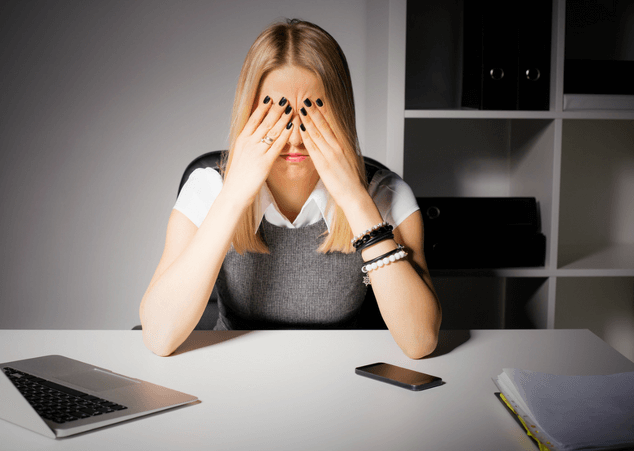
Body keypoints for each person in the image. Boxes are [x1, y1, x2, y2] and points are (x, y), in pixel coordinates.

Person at [139, 19, 441, 358]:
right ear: (250, 111)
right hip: (231, 374)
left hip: (343, 378)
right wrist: (233, 195)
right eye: (277, 114)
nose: (295, 138)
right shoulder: (207, 187)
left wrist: (356, 199)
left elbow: (420, 340)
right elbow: (158, 336)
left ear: (341, 114)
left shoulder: (386, 194)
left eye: (311, 115)